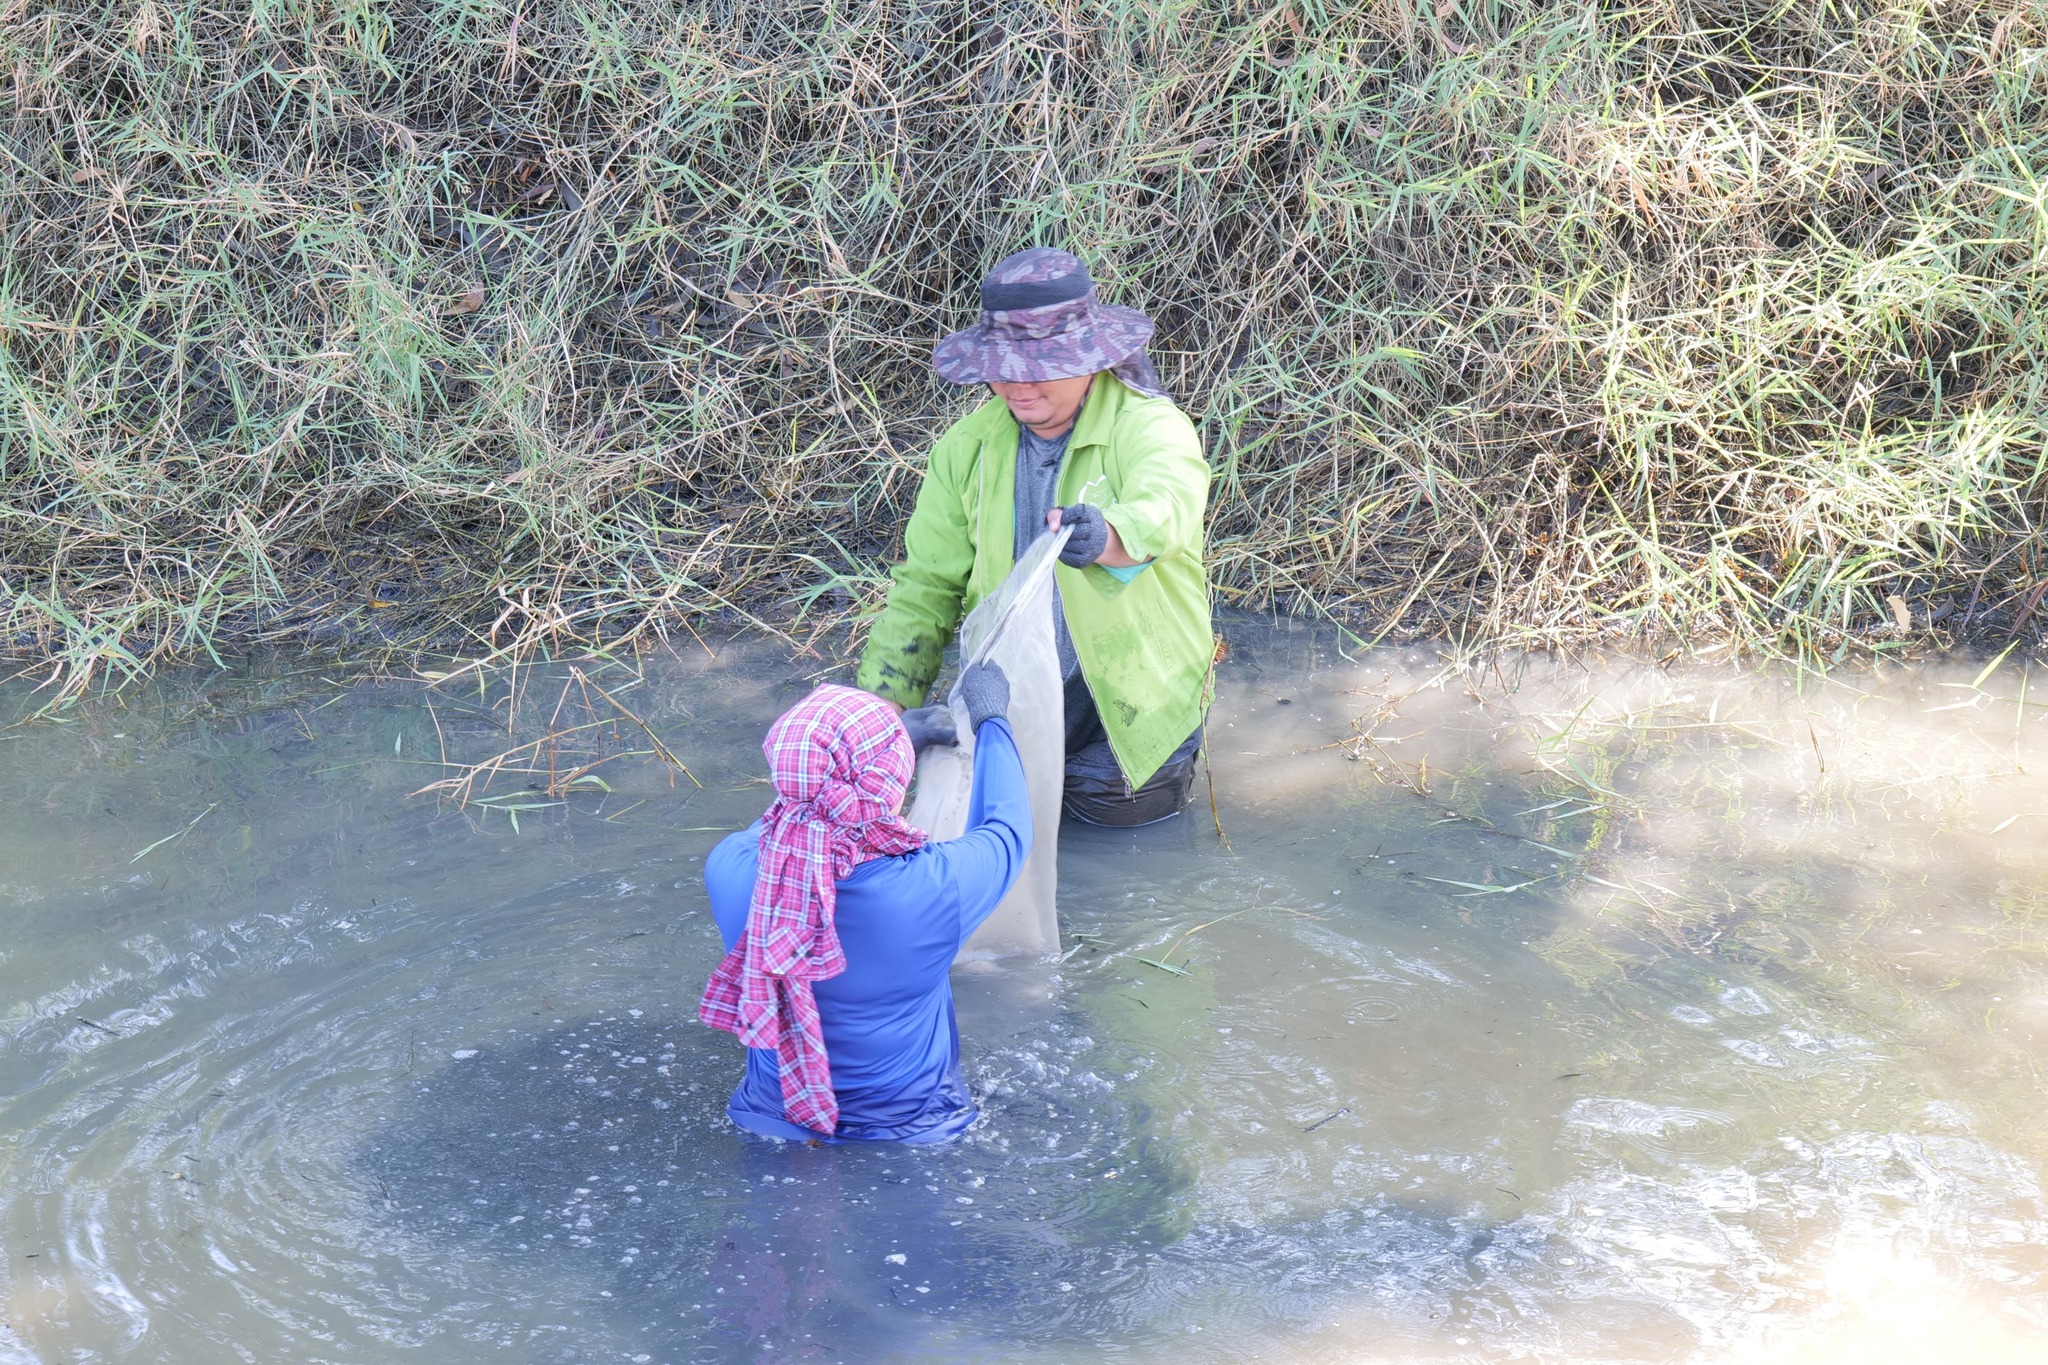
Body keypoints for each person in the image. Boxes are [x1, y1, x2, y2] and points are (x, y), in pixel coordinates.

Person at [857, 247, 1213, 827]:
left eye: (1039, 368)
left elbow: (1166, 506)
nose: (1018, 387)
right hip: (1013, 703)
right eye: (1004, 369)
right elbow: (926, 587)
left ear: (1090, 360)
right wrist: (878, 718)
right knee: (998, 849)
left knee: (1112, 859)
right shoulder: (966, 449)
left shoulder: (1148, 425)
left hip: (1129, 706)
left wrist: (1105, 538)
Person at [699, 665, 1026, 1142]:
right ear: (894, 778)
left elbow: (790, 812)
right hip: (914, 1134)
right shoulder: (936, 886)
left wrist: (897, 742)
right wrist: (993, 720)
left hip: (765, 1122)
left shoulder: (729, 867)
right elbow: (1008, 829)